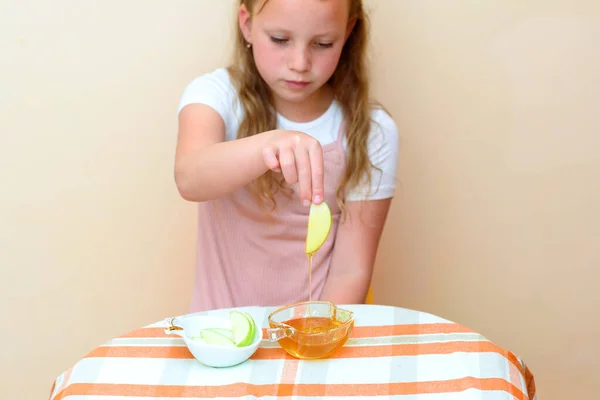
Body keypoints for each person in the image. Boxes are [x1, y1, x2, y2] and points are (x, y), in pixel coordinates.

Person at [174, 0, 399, 313]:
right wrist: (272, 144)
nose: (300, 63)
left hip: (311, 336)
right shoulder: (215, 96)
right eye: (280, 40)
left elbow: (351, 271)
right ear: (247, 24)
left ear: (347, 33)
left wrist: (311, 336)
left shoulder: (372, 131)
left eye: (322, 44)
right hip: (220, 335)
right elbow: (190, 178)